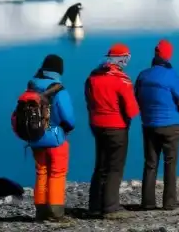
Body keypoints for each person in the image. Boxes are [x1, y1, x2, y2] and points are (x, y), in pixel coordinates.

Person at [85, 43, 140, 219]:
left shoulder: (92, 77)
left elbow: (89, 102)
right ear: (122, 58)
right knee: (115, 167)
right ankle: (110, 207)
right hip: (116, 126)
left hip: (97, 125)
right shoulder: (122, 80)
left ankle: (94, 206)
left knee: (100, 165)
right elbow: (132, 109)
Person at [21, 54, 76, 224]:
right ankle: (56, 212)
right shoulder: (58, 89)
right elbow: (68, 117)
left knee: (41, 172)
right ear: (59, 70)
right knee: (57, 174)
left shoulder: (31, 87)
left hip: (35, 138)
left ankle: (41, 211)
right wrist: (68, 128)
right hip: (55, 138)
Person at [135, 39, 179, 210]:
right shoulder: (172, 76)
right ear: (168, 55)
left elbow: (136, 98)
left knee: (150, 163)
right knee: (170, 163)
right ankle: (169, 202)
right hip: (170, 125)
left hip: (149, 124)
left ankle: (148, 202)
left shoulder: (143, 75)